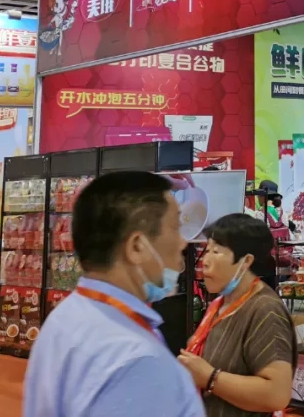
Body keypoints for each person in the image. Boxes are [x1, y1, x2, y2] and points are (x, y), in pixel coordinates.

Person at [23, 171, 203, 417]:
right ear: (137, 247)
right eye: (175, 227)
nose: (183, 242)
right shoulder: (137, 360)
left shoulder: (65, 317)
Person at [178, 214, 296, 417]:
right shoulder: (219, 304)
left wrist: (210, 377)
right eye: (207, 250)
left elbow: (277, 394)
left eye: (216, 251)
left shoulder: (265, 309)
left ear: (246, 261)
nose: (205, 261)